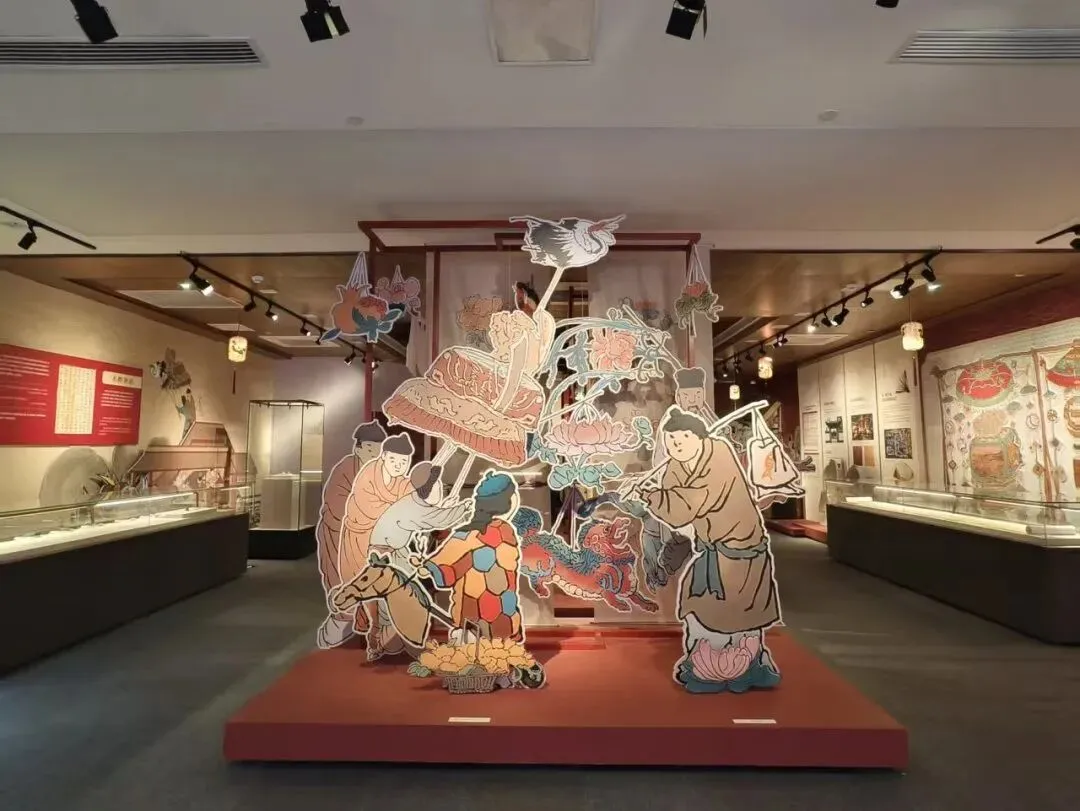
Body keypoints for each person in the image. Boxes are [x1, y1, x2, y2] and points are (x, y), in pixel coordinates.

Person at [633, 407, 781, 693]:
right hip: (712, 552)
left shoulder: (720, 455)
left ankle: (745, 666)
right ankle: (706, 666)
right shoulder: (675, 467)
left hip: (742, 551)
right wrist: (652, 494)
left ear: (700, 437)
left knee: (740, 612)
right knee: (699, 608)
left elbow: (692, 501)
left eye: (684, 437)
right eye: (671, 440)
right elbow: (675, 509)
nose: (677, 444)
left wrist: (654, 496)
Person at [364, 463, 474, 659]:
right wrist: (464, 507)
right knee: (399, 601)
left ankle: (393, 642)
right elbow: (437, 519)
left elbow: (436, 521)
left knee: (407, 598)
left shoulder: (416, 505)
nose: (440, 489)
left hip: (397, 553)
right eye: (437, 485)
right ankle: (386, 643)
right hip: (388, 556)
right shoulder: (413, 508)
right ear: (427, 489)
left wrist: (448, 510)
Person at [415, 471, 524, 643]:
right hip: (482, 619)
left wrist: (429, 567)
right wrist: (430, 567)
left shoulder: (489, 533)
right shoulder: (483, 534)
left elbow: (443, 565)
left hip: (496, 615)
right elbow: (445, 564)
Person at [335, 433, 415, 638]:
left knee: (387, 580)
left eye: (403, 462)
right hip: (359, 536)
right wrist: (396, 511)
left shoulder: (403, 483)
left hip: (385, 541)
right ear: (384, 456)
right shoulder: (369, 474)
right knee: (361, 579)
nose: (398, 465)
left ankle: (387, 628)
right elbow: (368, 507)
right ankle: (370, 626)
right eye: (394, 460)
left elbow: (411, 504)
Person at [315, 421, 386, 649]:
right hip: (340, 535)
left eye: (378, 448)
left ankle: (371, 627)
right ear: (358, 448)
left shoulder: (381, 470)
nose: (374, 453)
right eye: (369, 448)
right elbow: (336, 507)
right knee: (342, 579)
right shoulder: (345, 470)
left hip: (369, 536)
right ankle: (341, 621)